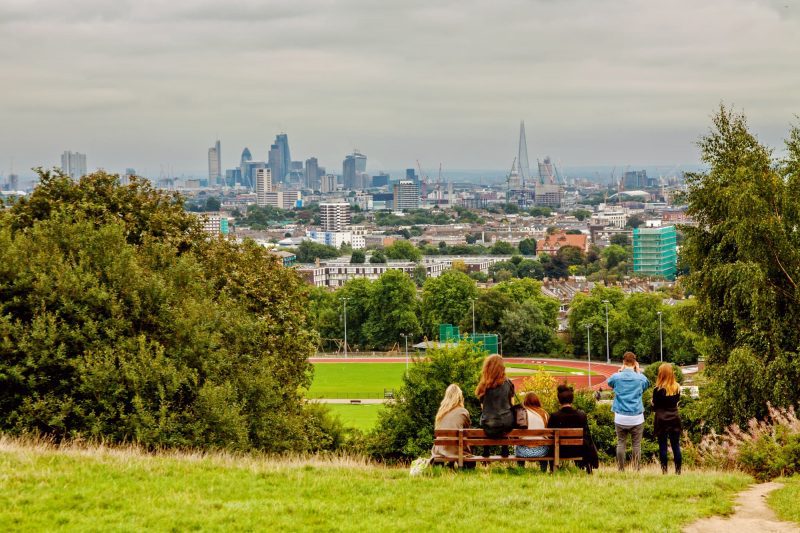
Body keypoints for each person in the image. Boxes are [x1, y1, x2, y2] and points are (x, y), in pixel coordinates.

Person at [606, 351, 650, 471]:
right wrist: (638, 371)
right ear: (635, 362)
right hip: (636, 416)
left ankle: (621, 469)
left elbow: (609, 382)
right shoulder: (640, 378)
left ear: (623, 362)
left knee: (621, 443)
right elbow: (647, 384)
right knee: (636, 445)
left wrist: (620, 371)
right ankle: (636, 469)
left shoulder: (616, 377)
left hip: (620, 416)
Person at [547, 384, 597, 474]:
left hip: (560, 451)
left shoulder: (554, 416)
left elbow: (549, 435)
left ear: (559, 400)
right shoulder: (582, 415)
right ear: (572, 400)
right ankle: (587, 469)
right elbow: (587, 435)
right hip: (579, 450)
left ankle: (552, 470)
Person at [475, 354, 514, 457]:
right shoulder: (508, 383)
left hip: (488, 424)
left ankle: (486, 451)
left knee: (486, 417)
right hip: (505, 424)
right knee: (506, 416)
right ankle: (505, 449)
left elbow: (483, 408)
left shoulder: (483, 385)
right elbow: (512, 404)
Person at [431, 384, 474, 467]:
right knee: (461, 442)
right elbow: (467, 431)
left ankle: (448, 464)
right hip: (459, 451)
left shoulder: (441, 413)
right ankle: (453, 464)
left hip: (441, 450)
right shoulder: (463, 412)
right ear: (459, 397)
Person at [653, 363, 682, 474]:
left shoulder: (657, 390)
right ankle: (678, 472)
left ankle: (664, 471)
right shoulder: (677, 387)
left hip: (661, 419)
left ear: (661, 374)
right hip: (674, 417)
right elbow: (676, 402)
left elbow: (655, 407)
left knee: (663, 446)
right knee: (676, 446)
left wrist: (652, 403)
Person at [515, 392, 550, 468]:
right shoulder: (544, 414)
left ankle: (520, 469)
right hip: (541, 452)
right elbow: (547, 435)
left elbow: (517, 436)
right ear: (537, 401)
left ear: (525, 401)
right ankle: (543, 469)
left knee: (518, 444)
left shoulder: (521, 413)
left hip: (523, 452)